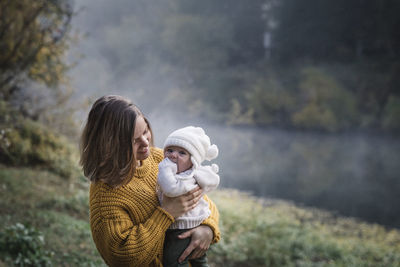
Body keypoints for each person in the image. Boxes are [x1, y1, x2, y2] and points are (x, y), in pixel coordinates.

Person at [79, 95, 220, 267]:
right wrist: (166, 213)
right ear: (110, 144)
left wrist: (207, 228)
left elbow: (201, 198)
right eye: (134, 140)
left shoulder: (160, 158)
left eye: (145, 131)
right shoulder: (106, 195)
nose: (146, 142)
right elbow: (123, 257)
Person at [157, 126, 220, 267]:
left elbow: (170, 189)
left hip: (182, 229)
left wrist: (165, 168)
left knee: (173, 261)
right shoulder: (183, 174)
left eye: (182, 153)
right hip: (192, 225)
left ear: (193, 161)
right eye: (170, 150)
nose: (173, 155)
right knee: (199, 262)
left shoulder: (187, 178)